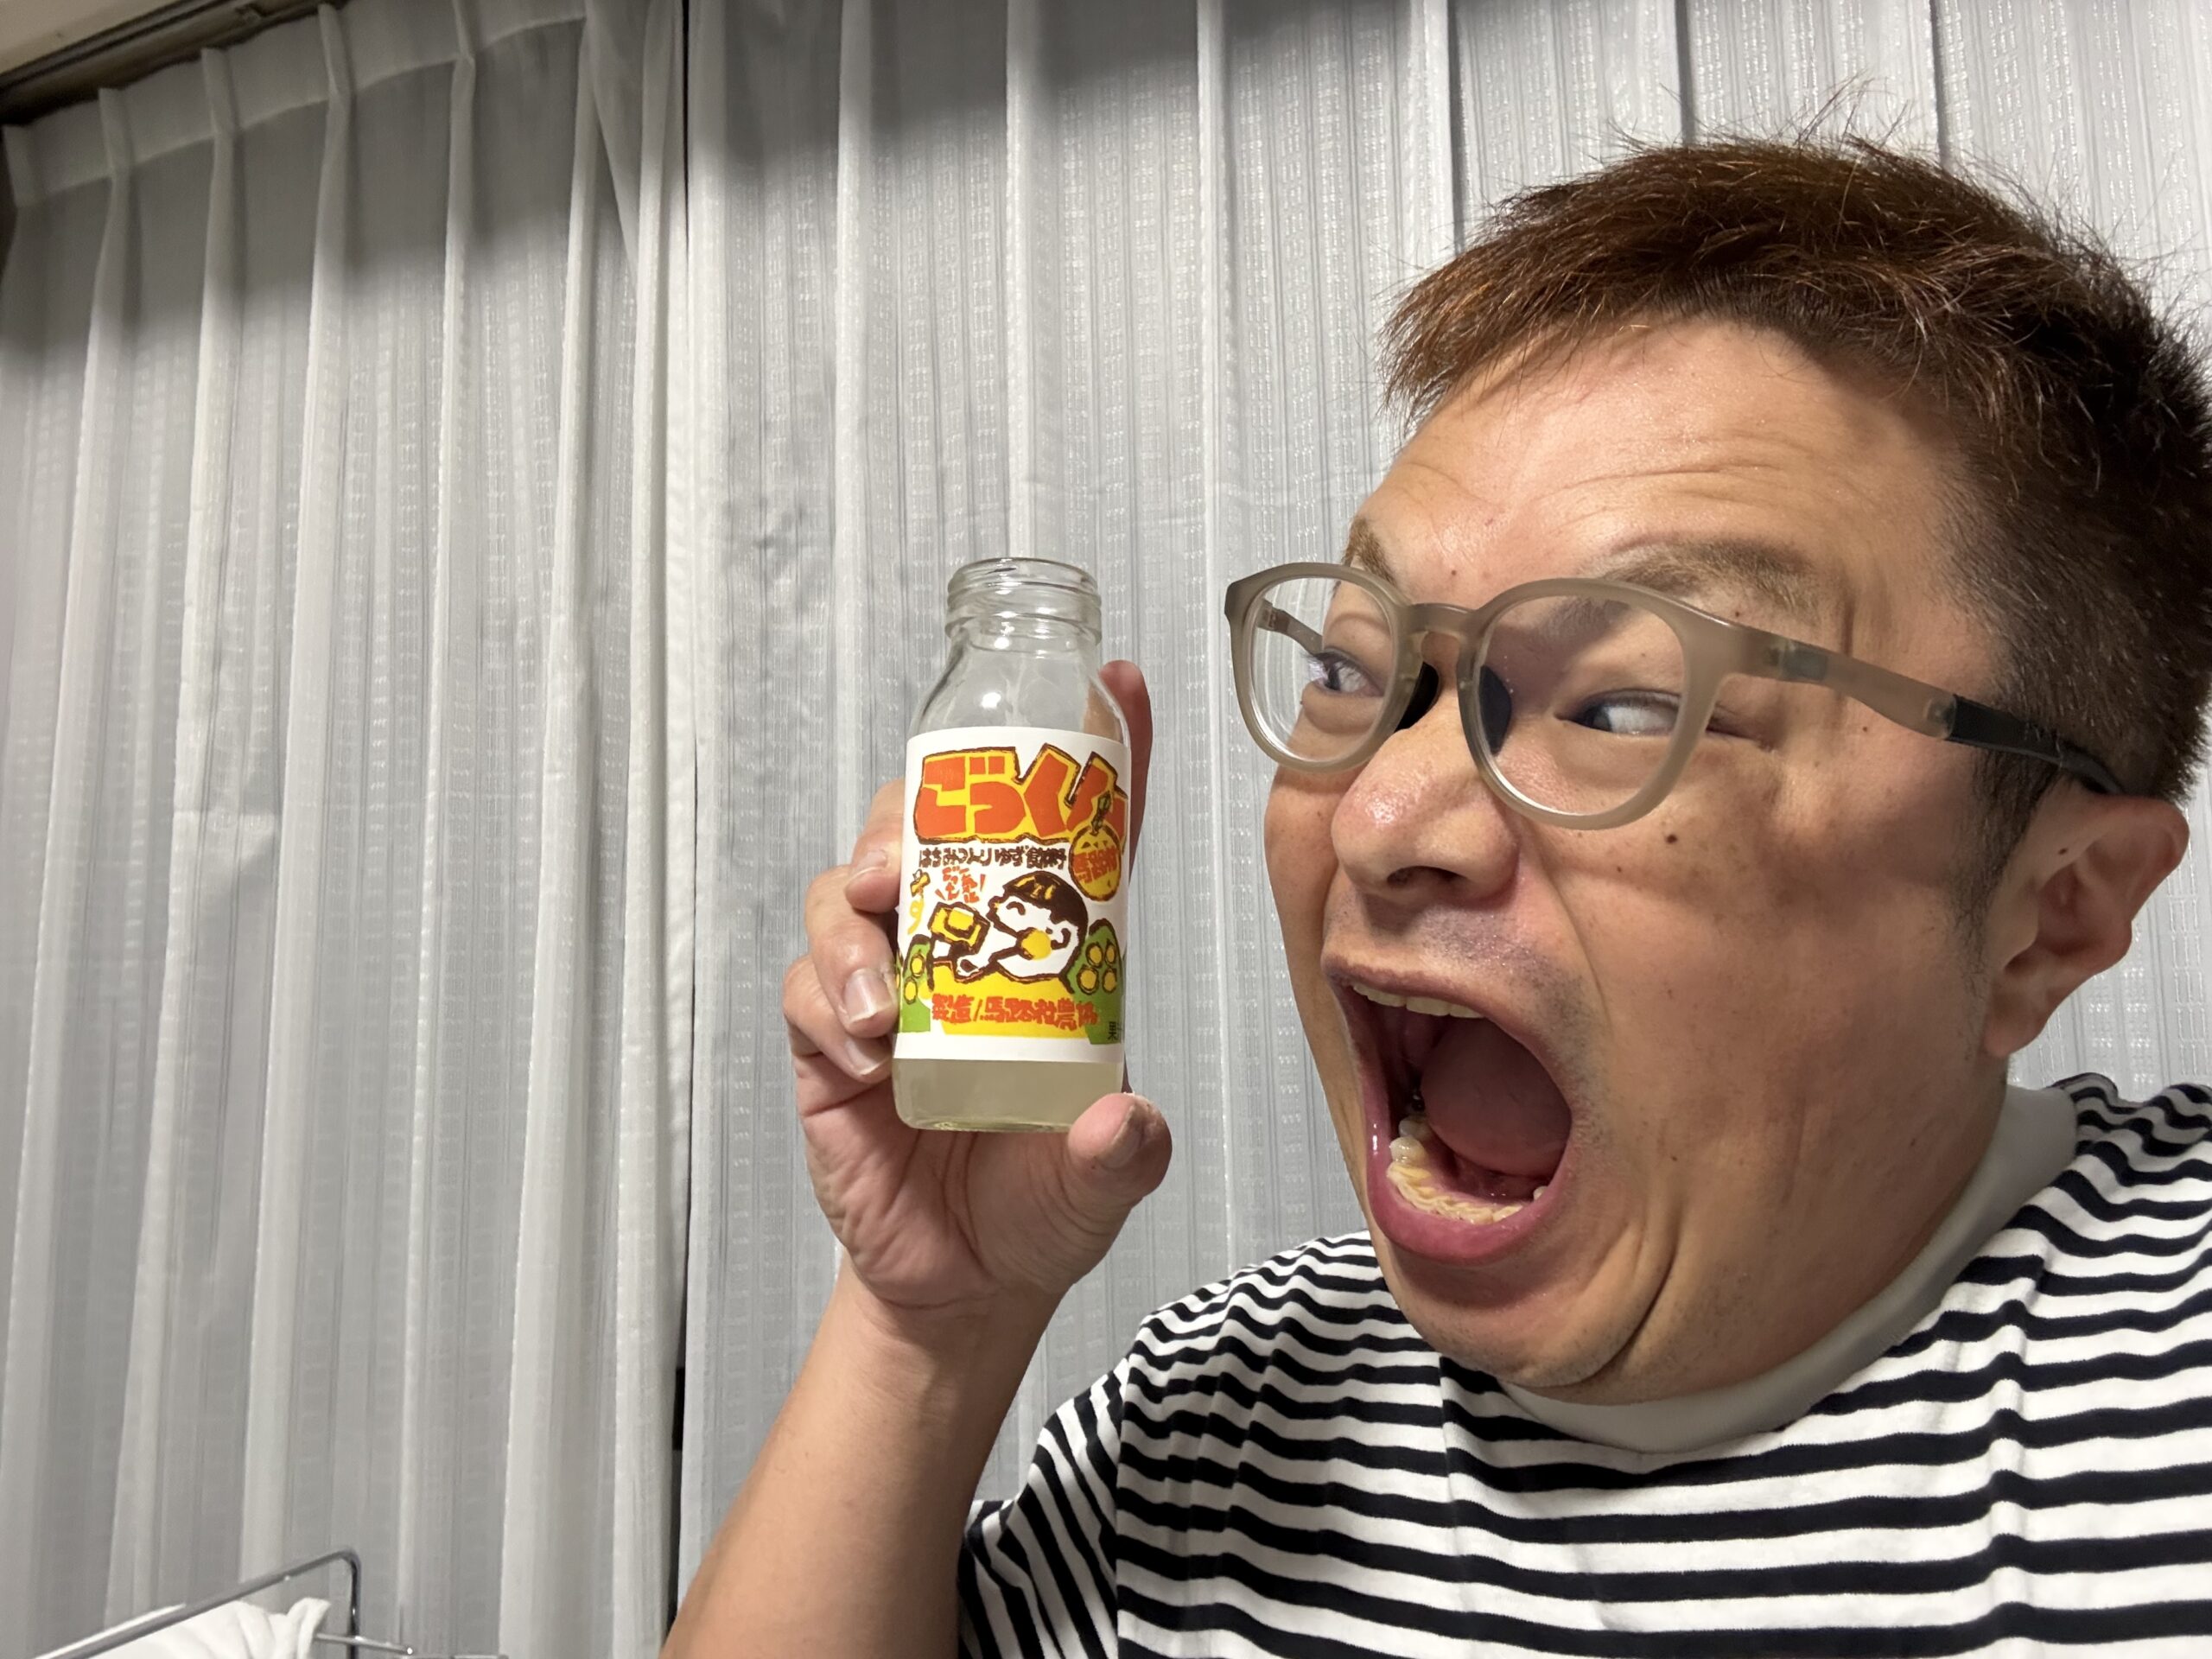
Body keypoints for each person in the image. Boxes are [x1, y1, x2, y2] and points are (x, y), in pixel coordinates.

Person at [665, 137, 2212, 1657]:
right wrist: (926, 1333)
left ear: (2056, 907)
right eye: (1356, 673)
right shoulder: (1224, 1414)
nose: (1379, 816)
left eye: (1623, 704)